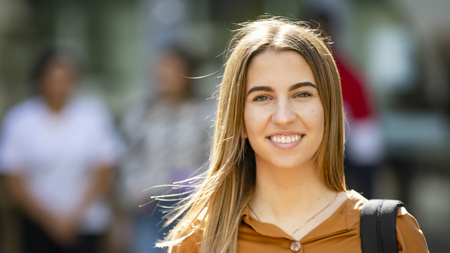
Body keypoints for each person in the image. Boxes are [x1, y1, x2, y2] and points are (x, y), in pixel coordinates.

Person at [155, 17, 428, 252]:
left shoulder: (393, 233)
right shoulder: (196, 240)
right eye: (262, 97)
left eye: (302, 94)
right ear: (238, 119)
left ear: (329, 111)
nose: (284, 116)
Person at [0, 48, 122, 253]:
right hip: (36, 222)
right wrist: (49, 219)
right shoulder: (20, 119)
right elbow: (14, 176)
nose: (60, 86)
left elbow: (104, 169)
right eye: (53, 79)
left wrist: (74, 216)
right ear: (39, 80)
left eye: (67, 79)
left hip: (86, 221)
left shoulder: (93, 116)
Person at [119, 48, 213, 253]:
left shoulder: (207, 113)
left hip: (192, 208)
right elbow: (128, 159)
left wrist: (194, 184)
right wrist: (134, 189)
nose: (165, 75)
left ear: (188, 73)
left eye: (172, 69)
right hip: (149, 208)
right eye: (161, 69)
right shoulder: (140, 113)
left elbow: (217, 158)